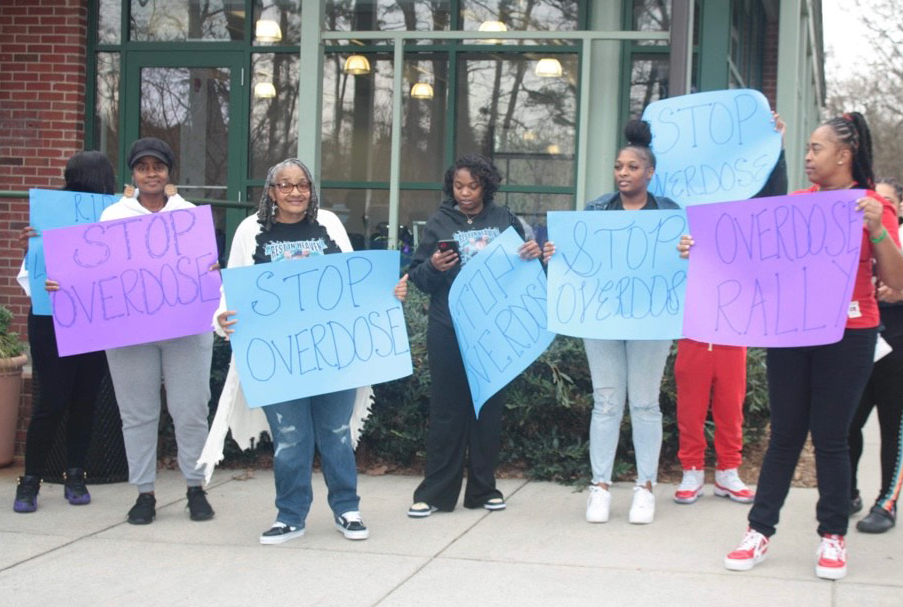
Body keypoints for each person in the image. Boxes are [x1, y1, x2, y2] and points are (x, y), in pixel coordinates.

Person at [681, 112, 903, 580]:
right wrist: (699, 248)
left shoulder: (869, 206)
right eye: (806, 147)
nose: (807, 156)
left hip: (850, 335)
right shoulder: (796, 204)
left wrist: (878, 228)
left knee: (831, 438)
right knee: (783, 437)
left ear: (844, 155)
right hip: (791, 332)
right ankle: (759, 531)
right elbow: (747, 256)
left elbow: (896, 283)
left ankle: (832, 538)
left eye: (816, 148)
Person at [214, 158, 408, 544]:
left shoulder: (330, 225)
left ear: (311, 190)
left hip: (333, 353)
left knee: (336, 433)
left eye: (302, 184)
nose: (295, 192)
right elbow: (231, 283)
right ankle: (290, 515)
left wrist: (388, 293)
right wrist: (221, 316)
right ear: (271, 192)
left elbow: (354, 279)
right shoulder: (250, 230)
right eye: (285, 185)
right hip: (278, 356)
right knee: (290, 438)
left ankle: (347, 509)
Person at [543, 120, 677, 525]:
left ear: (649, 173)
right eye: (619, 166)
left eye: (632, 167)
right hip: (601, 317)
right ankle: (599, 486)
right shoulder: (597, 210)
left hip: (652, 321)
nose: (623, 173)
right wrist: (556, 256)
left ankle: (645, 486)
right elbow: (579, 259)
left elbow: (682, 266)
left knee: (644, 403)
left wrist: (689, 250)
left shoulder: (669, 213)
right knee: (606, 402)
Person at [406, 153, 541, 517]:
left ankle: (483, 490)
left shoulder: (504, 220)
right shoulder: (439, 221)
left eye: (473, 185)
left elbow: (527, 271)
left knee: (488, 411)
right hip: (448, 328)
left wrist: (533, 255)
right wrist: (432, 266)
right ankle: (435, 494)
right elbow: (417, 278)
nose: (465, 193)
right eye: (458, 185)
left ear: (486, 186)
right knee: (447, 412)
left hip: (493, 330)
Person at [98, 137, 217, 525]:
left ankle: (195, 488)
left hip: (185, 328)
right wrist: (63, 284)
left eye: (158, 166)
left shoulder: (191, 215)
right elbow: (97, 275)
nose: (151, 173)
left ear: (169, 172)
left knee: (191, 410)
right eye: (143, 166)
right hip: (129, 331)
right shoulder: (112, 217)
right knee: (137, 413)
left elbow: (207, 269)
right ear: (132, 172)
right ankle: (144, 492)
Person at [673, 114, 788, 506]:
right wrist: (681, 248)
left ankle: (727, 472)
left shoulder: (747, 205)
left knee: (730, 403)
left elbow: (775, 198)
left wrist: (775, 144)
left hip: (734, 321)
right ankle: (691, 470)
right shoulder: (687, 202)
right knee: (689, 403)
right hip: (695, 322)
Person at [12, 151, 115, 513]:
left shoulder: (117, 216)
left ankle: (72, 475)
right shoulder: (49, 217)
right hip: (53, 316)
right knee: (56, 401)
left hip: (94, 317)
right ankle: (33, 480)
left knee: (78, 399)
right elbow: (32, 278)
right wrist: (34, 249)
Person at [847, 177, 903, 533]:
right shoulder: (857, 239)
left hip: (898, 352)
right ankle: (847, 491)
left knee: (892, 430)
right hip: (862, 348)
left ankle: (887, 502)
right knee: (848, 424)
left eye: (886, 203)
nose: (876, 208)